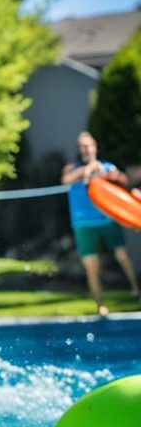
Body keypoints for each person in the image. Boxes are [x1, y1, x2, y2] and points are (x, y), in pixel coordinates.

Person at [61, 132, 141, 315]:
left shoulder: (106, 166)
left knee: (122, 255)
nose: (86, 149)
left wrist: (112, 175)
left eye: (88, 145)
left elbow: (123, 180)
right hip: (83, 224)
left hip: (106, 219)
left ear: (95, 147)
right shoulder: (72, 168)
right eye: (82, 146)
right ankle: (100, 307)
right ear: (79, 149)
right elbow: (65, 179)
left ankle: (135, 288)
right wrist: (84, 171)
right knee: (91, 265)